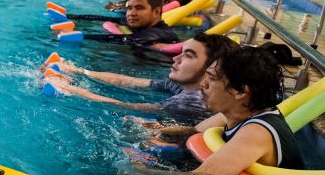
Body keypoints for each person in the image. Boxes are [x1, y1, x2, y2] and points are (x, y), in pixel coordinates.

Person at [49, 32, 237, 122]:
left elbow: (126, 107)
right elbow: (131, 81)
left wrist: (70, 89)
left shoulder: (193, 101)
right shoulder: (187, 85)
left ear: (212, 67)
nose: (175, 58)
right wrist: (79, 72)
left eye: (188, 55)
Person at [190, 46, 303, 175]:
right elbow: (192, 133)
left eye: (212, 78)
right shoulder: (239, 112)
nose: (203, 84)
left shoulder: (257, 132)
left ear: (241, 91)